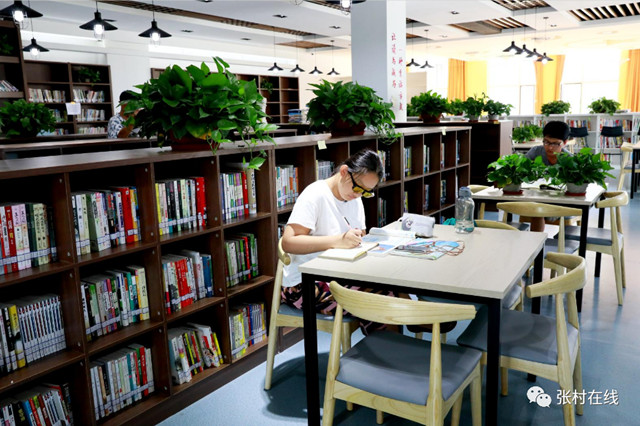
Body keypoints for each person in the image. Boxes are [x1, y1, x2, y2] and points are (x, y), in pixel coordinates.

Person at [281, 149, 391, 335]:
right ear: (344, 172)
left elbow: (359, 235)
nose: (359, 195)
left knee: (389, 289)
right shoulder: (315, 195)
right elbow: (288, 243)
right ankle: (395, 346)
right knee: (378, 299)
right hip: (303, 285)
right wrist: (338, 241)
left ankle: (412, 330)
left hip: (339, 274)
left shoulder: (353, 197)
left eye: (366, 193)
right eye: (358, 188)